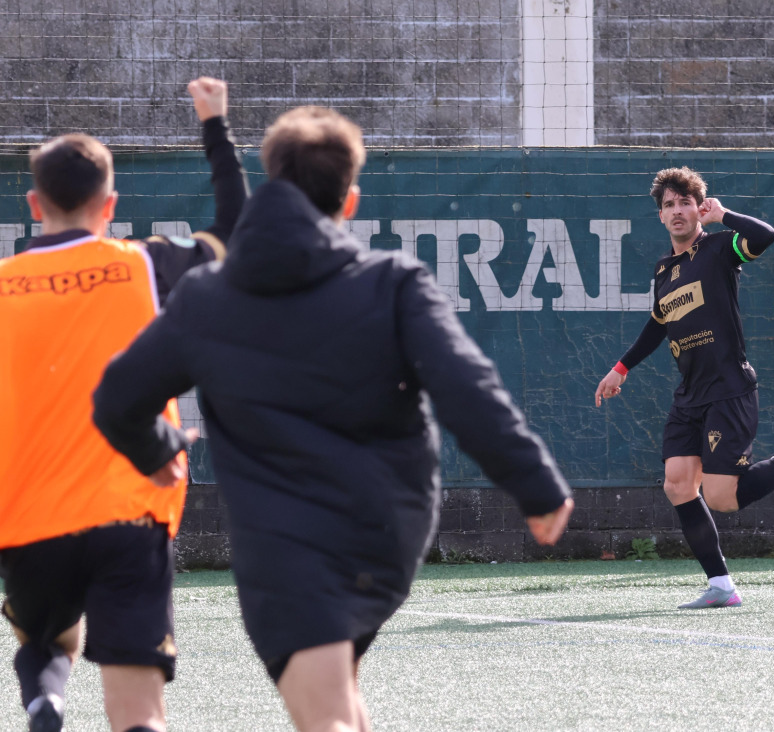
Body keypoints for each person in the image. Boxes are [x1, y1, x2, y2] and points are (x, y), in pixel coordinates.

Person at [92, 105, 574, 732]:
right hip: (387, 532)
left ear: (269, 181)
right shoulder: (393, 280)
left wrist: (158, 451)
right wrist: (533, 484)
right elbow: (467, 386)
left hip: (287, 554)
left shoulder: (204, 298)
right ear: (349, 202)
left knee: (325, 719)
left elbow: (114, 400)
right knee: (340, 703)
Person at [0, 78, 247, 732]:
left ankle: (45, 700)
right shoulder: (145, 265)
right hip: (131, 506)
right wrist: (214, 126)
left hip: (27, 513)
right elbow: (235, 231)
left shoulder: (2, 288)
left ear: (33, 204)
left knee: (47, 639)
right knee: (138, 709)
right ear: (109, 205)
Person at [594, 167, 774, 609]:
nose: (677, 211)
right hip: (689, 396)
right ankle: (720, 585)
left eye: (685, 203)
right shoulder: (664, 270)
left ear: (700, 207)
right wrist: (621, 367)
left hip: (729, 389)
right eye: (669, 206)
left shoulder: (718, 250)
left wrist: (725, 216)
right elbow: (658, 325)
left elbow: (767, 235)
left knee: (722, 498)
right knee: (678, 485)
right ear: (660, 216)